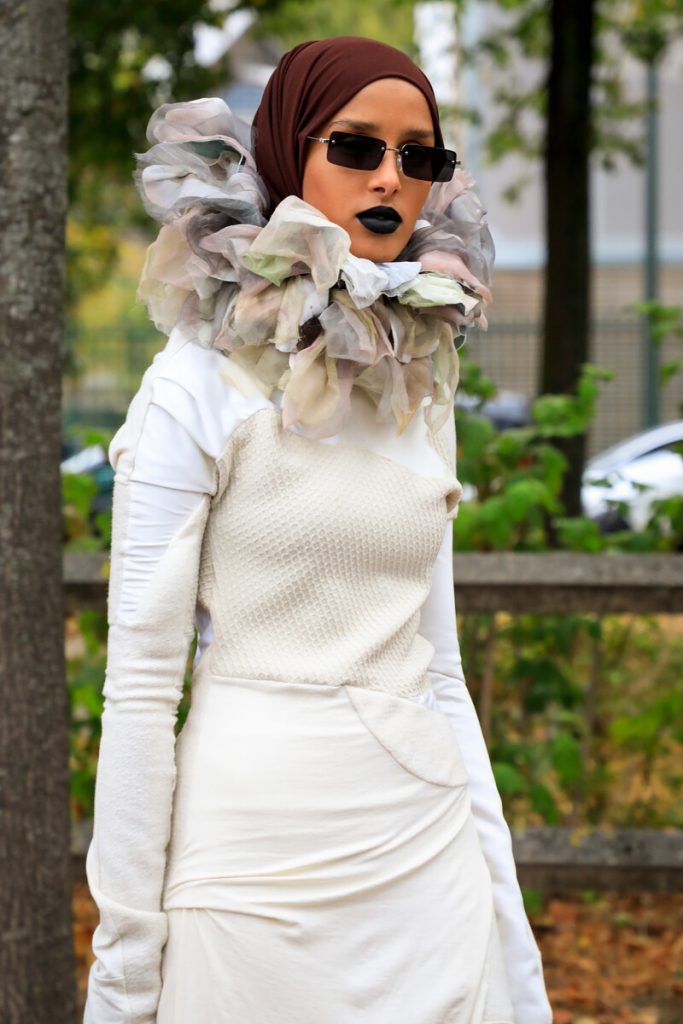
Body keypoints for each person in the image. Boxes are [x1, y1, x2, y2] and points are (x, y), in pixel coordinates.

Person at [83, 36, 552, 1024]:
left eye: (418, 156)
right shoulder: (193, 383)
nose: (389, 178)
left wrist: (511, 943)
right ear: (289, 149)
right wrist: (124, 972)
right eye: (355, 147)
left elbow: (438, 671)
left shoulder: (420, 385)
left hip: (425, 867)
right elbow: (140, 693)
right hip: (251, 873)